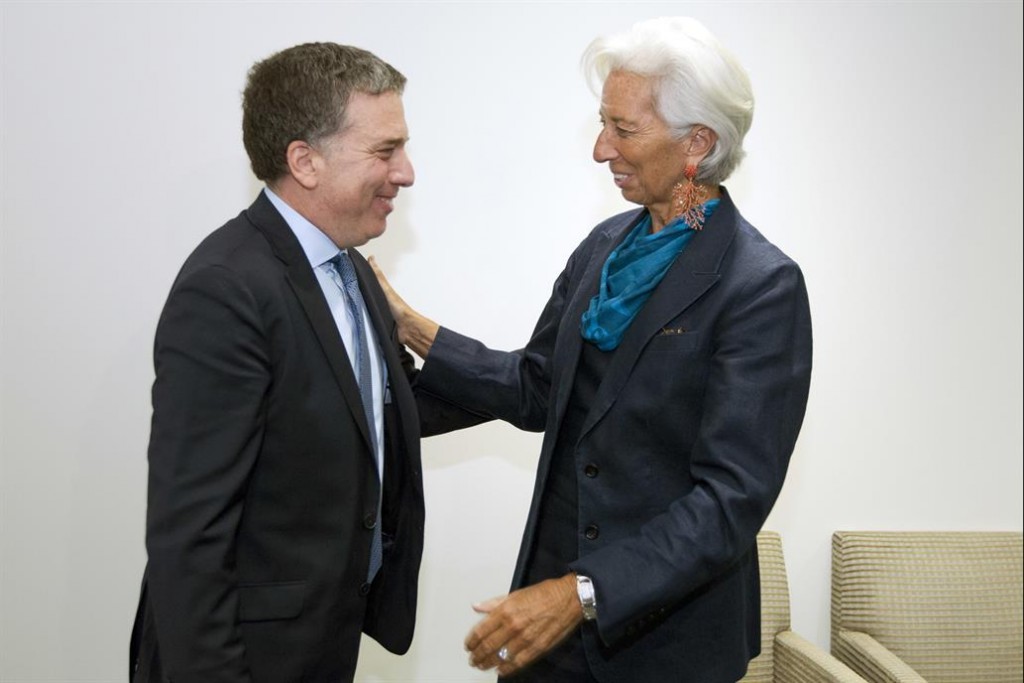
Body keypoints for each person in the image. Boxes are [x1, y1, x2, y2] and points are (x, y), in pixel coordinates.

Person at [371, 17, 812, 683]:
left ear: (697, 142)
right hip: (550, 625)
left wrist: (580, 592)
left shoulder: (760, 287)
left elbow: (728, 501)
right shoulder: (606, 246)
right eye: (602, 125)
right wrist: (411, 328)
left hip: (662, 644)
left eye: (623, 129)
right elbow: (538, 387)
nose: (602, 149)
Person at [129, 42, 438, 682]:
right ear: (305, 161)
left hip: (321, 644)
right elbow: (191, 537)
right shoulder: (226, 288)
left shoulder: (349, 269)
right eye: (385, 150)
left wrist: (543, 382)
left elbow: (382, 408)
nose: (406, 173)